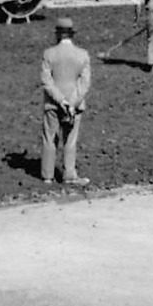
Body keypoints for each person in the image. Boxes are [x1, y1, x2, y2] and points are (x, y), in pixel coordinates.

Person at [39, 17, 92, 185]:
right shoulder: (83, 55)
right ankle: (69, 174)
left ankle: (47, 175)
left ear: (58, 35)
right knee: (70, 139)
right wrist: (72, 102)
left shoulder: (48, 54)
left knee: (50, 138)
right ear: (72, 35)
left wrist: (61, 100)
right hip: (75, 105)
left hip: (52, 104)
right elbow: (84, 83)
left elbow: (46, 81)